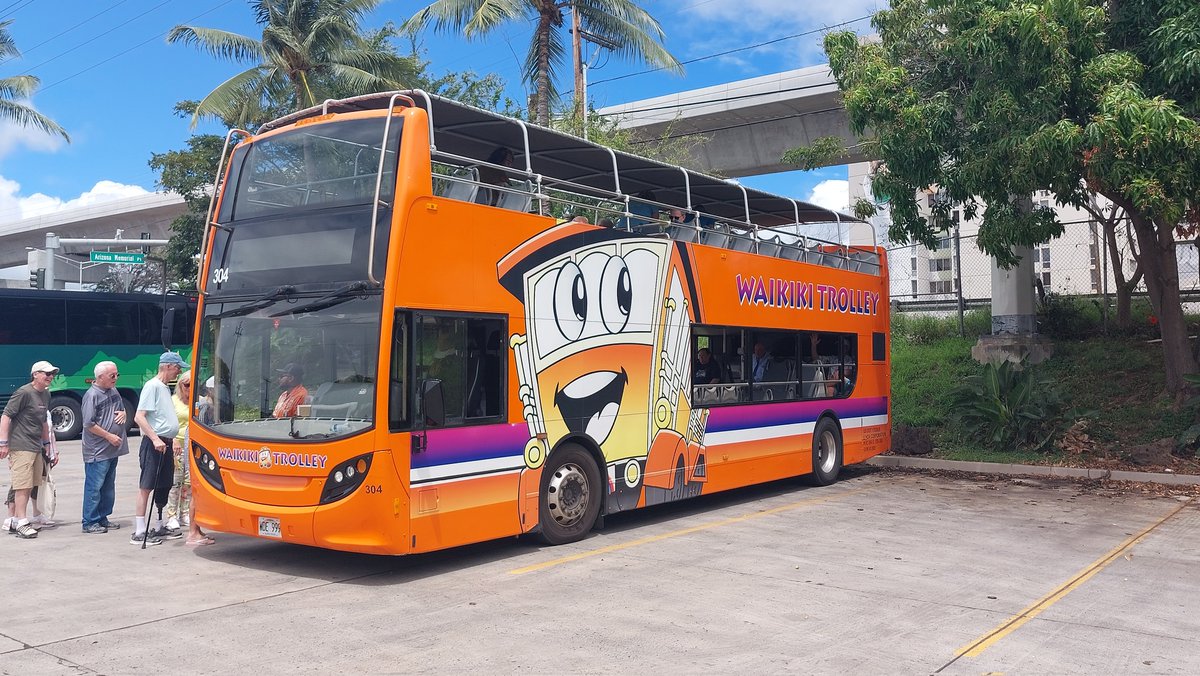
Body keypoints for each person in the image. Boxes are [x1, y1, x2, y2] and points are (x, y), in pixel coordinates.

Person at [131, 351, 187, 546]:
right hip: (155, 443)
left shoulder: (164, 387)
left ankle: (159, 523)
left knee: (164, 484)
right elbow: (139, 416)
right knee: (147, 486)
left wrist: (172, 439)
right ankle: (139, 530)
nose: (179, 371)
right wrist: (155, 439)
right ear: (168, 366)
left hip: (167, 442)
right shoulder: (152, 386)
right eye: (178, 367)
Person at [0, 360, 57, 539]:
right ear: (35, 375)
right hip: (21, 445)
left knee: (32, 484)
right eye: (47, 374)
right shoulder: (24, 393)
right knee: (22, 484)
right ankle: (22, 522)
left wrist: (47, 445)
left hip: (36, 446)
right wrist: (3, 443)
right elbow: (6, 417)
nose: (51, 377)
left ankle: (17, 520)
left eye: (52, 374)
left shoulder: (45, 395)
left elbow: (43, 421)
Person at [80, 360, 129, 534]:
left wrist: (124, 413)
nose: (116, 378)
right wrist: (109, 436)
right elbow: (88, 424)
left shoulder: (113, 391)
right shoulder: (92, 395)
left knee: (108, 486)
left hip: (112, 450)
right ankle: (89, 521)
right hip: (97, 451)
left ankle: (103, 517)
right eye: (112, 376)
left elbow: (121, 409)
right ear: (100, 377)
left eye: (117, 375)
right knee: (95, 487)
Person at [165, 371, 192, 531]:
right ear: (180, 385)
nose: (189, 388)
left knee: (188, 483)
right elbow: (167, 423)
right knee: (176, 482)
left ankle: (185, 512)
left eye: (191, 384)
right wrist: (173, 439)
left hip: (193, 445)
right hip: (177, 445)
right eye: (186, 385)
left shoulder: (198, 401)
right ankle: (171, 515)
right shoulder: (173, 401)